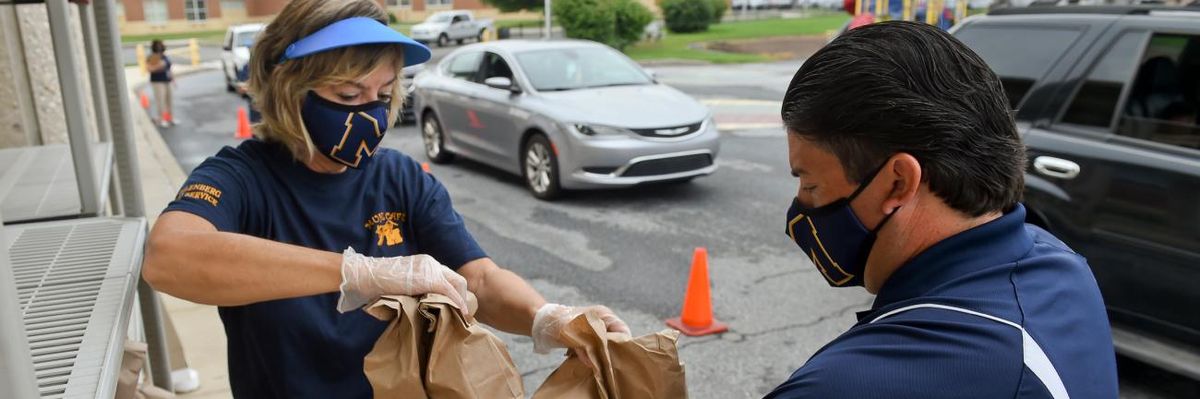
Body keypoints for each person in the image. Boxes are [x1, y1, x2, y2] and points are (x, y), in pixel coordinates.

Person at [141, 1, 629, 397]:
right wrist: (360, 272)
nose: (370, 114)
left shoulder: (398, 177)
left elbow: (478, 276)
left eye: (383, 93)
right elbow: (169, 256)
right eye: (349, 96)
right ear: (287, 90)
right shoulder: (240, 177)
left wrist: (548, 318)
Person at [764, 22, 1118, 398]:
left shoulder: (849, 384)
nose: (801, 209)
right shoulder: (1060, 264)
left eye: (810, 185)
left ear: (898, 183)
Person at [146, 39, 174, 128]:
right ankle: (161, 119)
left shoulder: (164, 56)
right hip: (157, 82)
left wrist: (172, 78)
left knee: (169, 100)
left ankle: (170, 118)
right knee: (160, 101)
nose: (161, 47)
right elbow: (150, 69)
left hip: (167, 80)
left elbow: (168, 68)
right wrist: (160, 65)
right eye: (159, 45)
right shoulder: (152, 57)